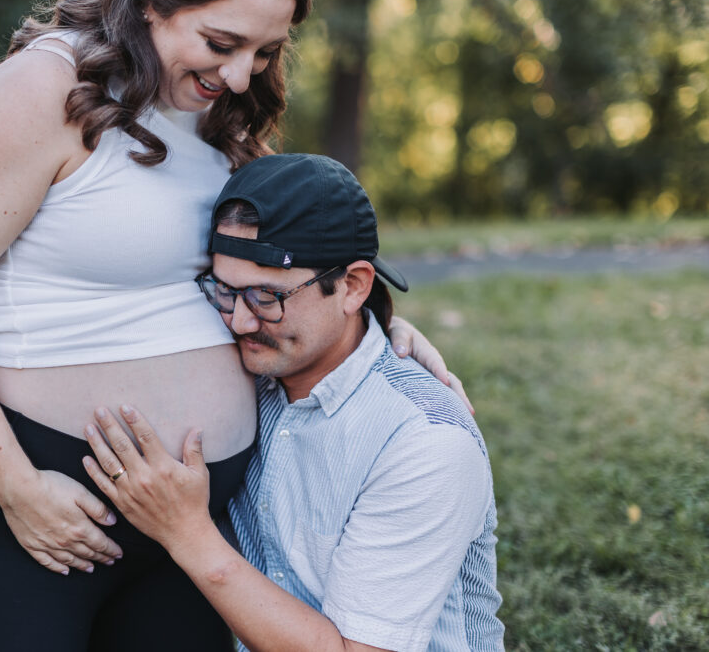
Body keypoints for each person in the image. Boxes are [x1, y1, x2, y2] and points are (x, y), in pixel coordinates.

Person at [0, 0, 462, 649]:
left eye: (266, 52)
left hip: (188, 527)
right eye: (222, 42)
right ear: (152, 2)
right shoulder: (42, 88)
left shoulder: (214, 107)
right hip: (32, 508)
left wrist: (369, 325)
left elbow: (248, 270)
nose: (241, 75)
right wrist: (16, 486)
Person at [83, 154, 504, 652]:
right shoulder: (252, 370)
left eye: (266, 296)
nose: (239, 321)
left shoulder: (424, 442)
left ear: (353, 286)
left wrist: (187, 533)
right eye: (224, 290)